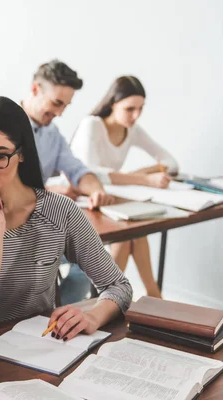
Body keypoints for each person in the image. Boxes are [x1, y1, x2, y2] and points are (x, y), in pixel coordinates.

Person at [0, 96, 132, 337]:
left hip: (45, 349)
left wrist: (92, 316)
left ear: (22, 153)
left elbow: (118, 286)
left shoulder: (60, 210)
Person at [70, 76, 179, 298]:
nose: (136, 115)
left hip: (108, 200)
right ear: (113, 103)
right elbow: (92, 173)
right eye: (130, 109)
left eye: (140, 109)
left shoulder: (132, 130)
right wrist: (145, 179)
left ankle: (115, 297)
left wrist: (136, 174)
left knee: (133, 229)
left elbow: (171, 163)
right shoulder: (92, 125)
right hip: (80, 201)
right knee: (130, 230)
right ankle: (140, 295)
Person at [21, 60, 116, 304]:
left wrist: (96, 190)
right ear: (35, 90)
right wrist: (45, 191)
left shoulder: (52, 134)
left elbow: (76, 170)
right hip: (10, 234)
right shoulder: (2, 126)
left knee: (88, 262)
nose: (61, 112)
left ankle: (57, 317)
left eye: (65, 105)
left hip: (41, 228)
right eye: (56, 103)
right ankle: (48, 316)